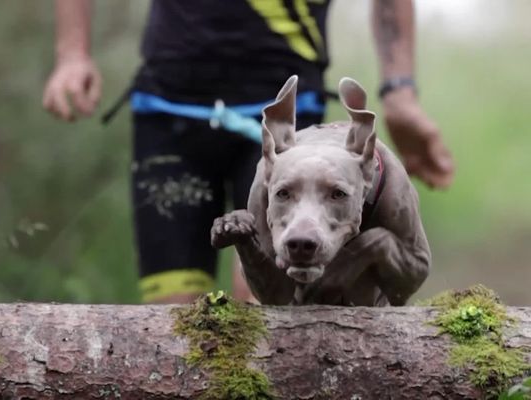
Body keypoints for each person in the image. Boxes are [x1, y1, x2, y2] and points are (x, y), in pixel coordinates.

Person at [43, 0, 454, 304]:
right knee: (174, 314)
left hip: (286, 114)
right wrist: (71, 53)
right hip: (169, 108)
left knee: (268, 300)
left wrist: (399, 93)